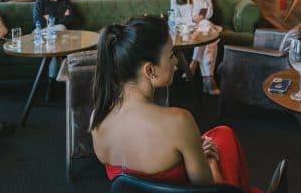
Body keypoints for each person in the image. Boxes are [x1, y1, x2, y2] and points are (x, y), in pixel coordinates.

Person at [90, 16, 257, 191]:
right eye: (171, 56)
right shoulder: (179, 122)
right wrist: (210, 161)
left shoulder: (97, 119)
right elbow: (207, 189)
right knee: (224, 135)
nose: (176, 62)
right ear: (149, 70)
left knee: (220, 134)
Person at [171, 0, 219, 95]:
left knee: (206, 25)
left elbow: (209, 14)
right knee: (209, 35)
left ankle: (194, 64)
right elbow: (174, 18)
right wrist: (191, 19)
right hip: (187, 28)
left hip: (202, 26)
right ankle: (208, 79)